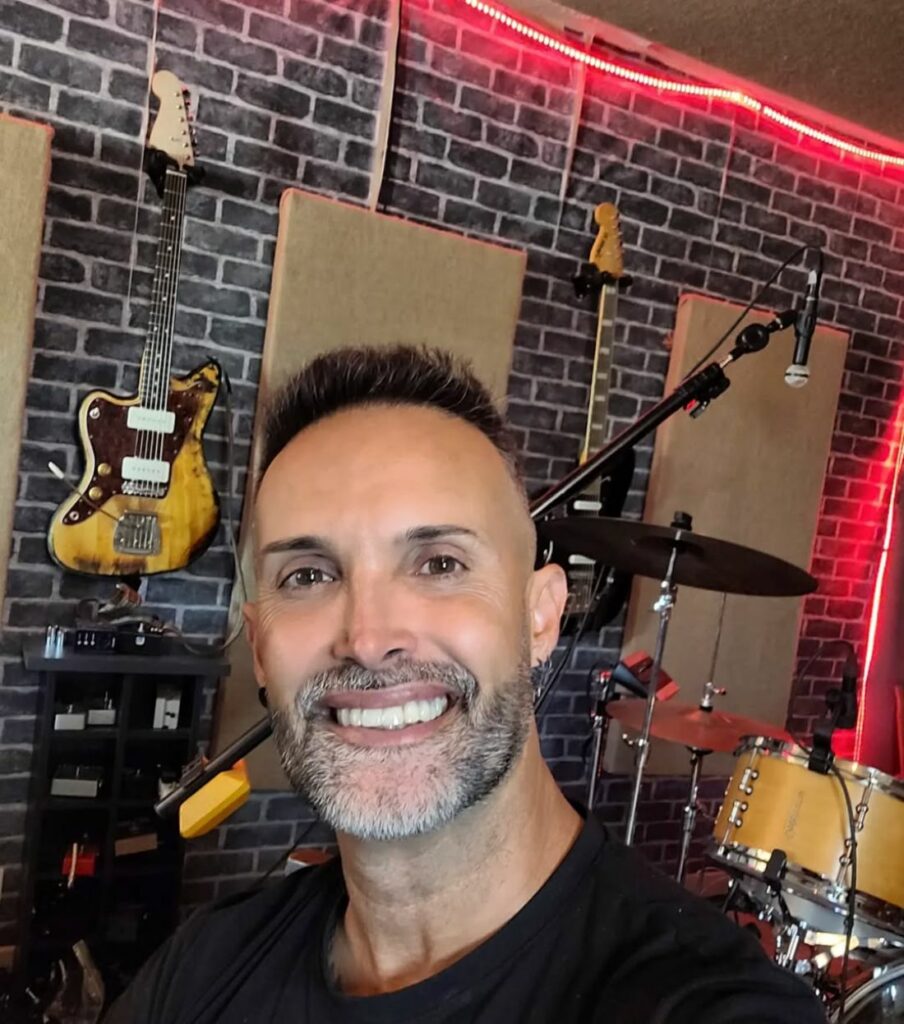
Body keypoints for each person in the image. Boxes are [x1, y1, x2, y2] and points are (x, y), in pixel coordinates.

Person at [107, 346, 825, 1023]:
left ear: (540, 615)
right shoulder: (201, 971)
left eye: (439, 564)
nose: (368, 638)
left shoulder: (701, 999)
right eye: (309, 575)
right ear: (260, 647)